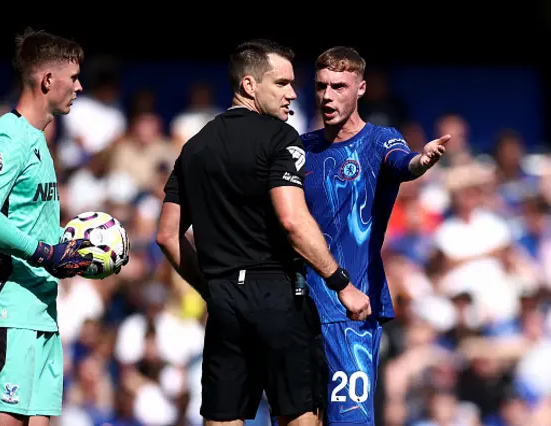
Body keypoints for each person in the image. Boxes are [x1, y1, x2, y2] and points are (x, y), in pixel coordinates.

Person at [156, 39, 371, 426]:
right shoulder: (280, 137)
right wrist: (341, 282)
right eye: (282, 83)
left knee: (223, 417)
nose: (293, 93)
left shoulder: (194, 147)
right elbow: (292, 220)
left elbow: (167, 236)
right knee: (298, 415)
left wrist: (211, 287)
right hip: (278, 296)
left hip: (223, 301)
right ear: (250, 85)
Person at [299, 46, 450, 425]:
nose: (328, 96)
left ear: (361, 89)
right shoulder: (300, 148)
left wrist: (421, 160)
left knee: (349, 420)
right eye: (321, 86)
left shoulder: (380, 139)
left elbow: (403, 163)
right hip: (296, 309)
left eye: (339, 86)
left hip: (351, 307)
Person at [0, 28, 94, 426]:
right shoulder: (6, 135)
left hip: (39, 311)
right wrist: (43, 252)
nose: (80, 86)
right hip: (4, 311)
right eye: (73, 78)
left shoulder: (38, 140)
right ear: (47, 81)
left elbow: (28, 223)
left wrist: (71, 257)